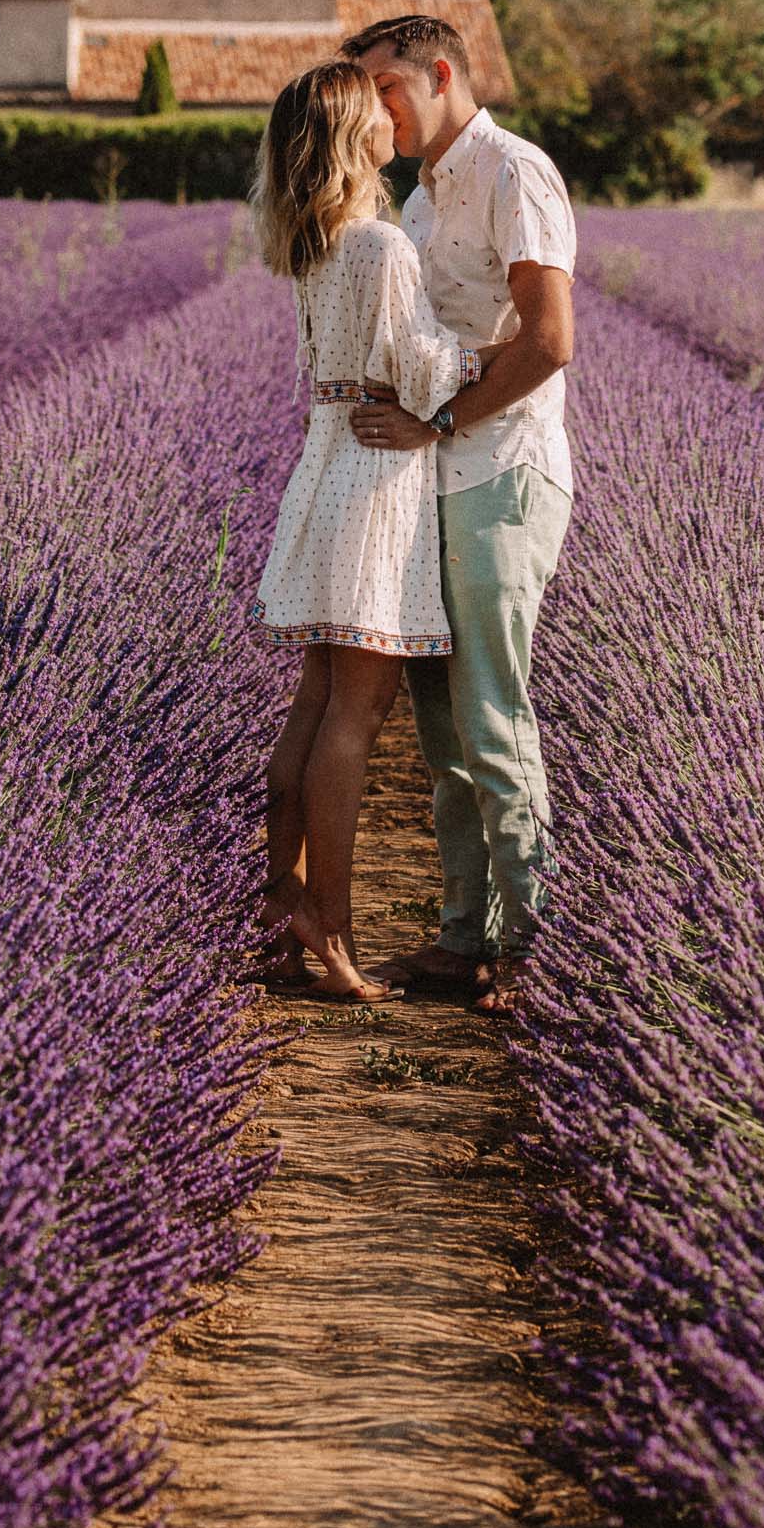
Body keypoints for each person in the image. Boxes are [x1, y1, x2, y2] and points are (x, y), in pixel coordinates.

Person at [340, 13, 576, 1017]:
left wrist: (437, 416)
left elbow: (549, 339)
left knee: (490, 715)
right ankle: (460, 938)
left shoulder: (513, 171)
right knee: (440, 731)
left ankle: (528, 944)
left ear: (441, 73)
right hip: (433, 482)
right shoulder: (425, 200)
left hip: (498, 475)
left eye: (385, 87)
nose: (373, 109)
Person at [248, 58, 497, 1002]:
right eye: (378, 112)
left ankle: (281, 900)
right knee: (357, 715)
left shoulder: (313, 244)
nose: (396, 119)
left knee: (314, 702)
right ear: (359, 138)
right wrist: (502, 347)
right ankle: (331, 924)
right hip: (378, 476)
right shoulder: (383, 249)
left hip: (324, 469)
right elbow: (427, 371)